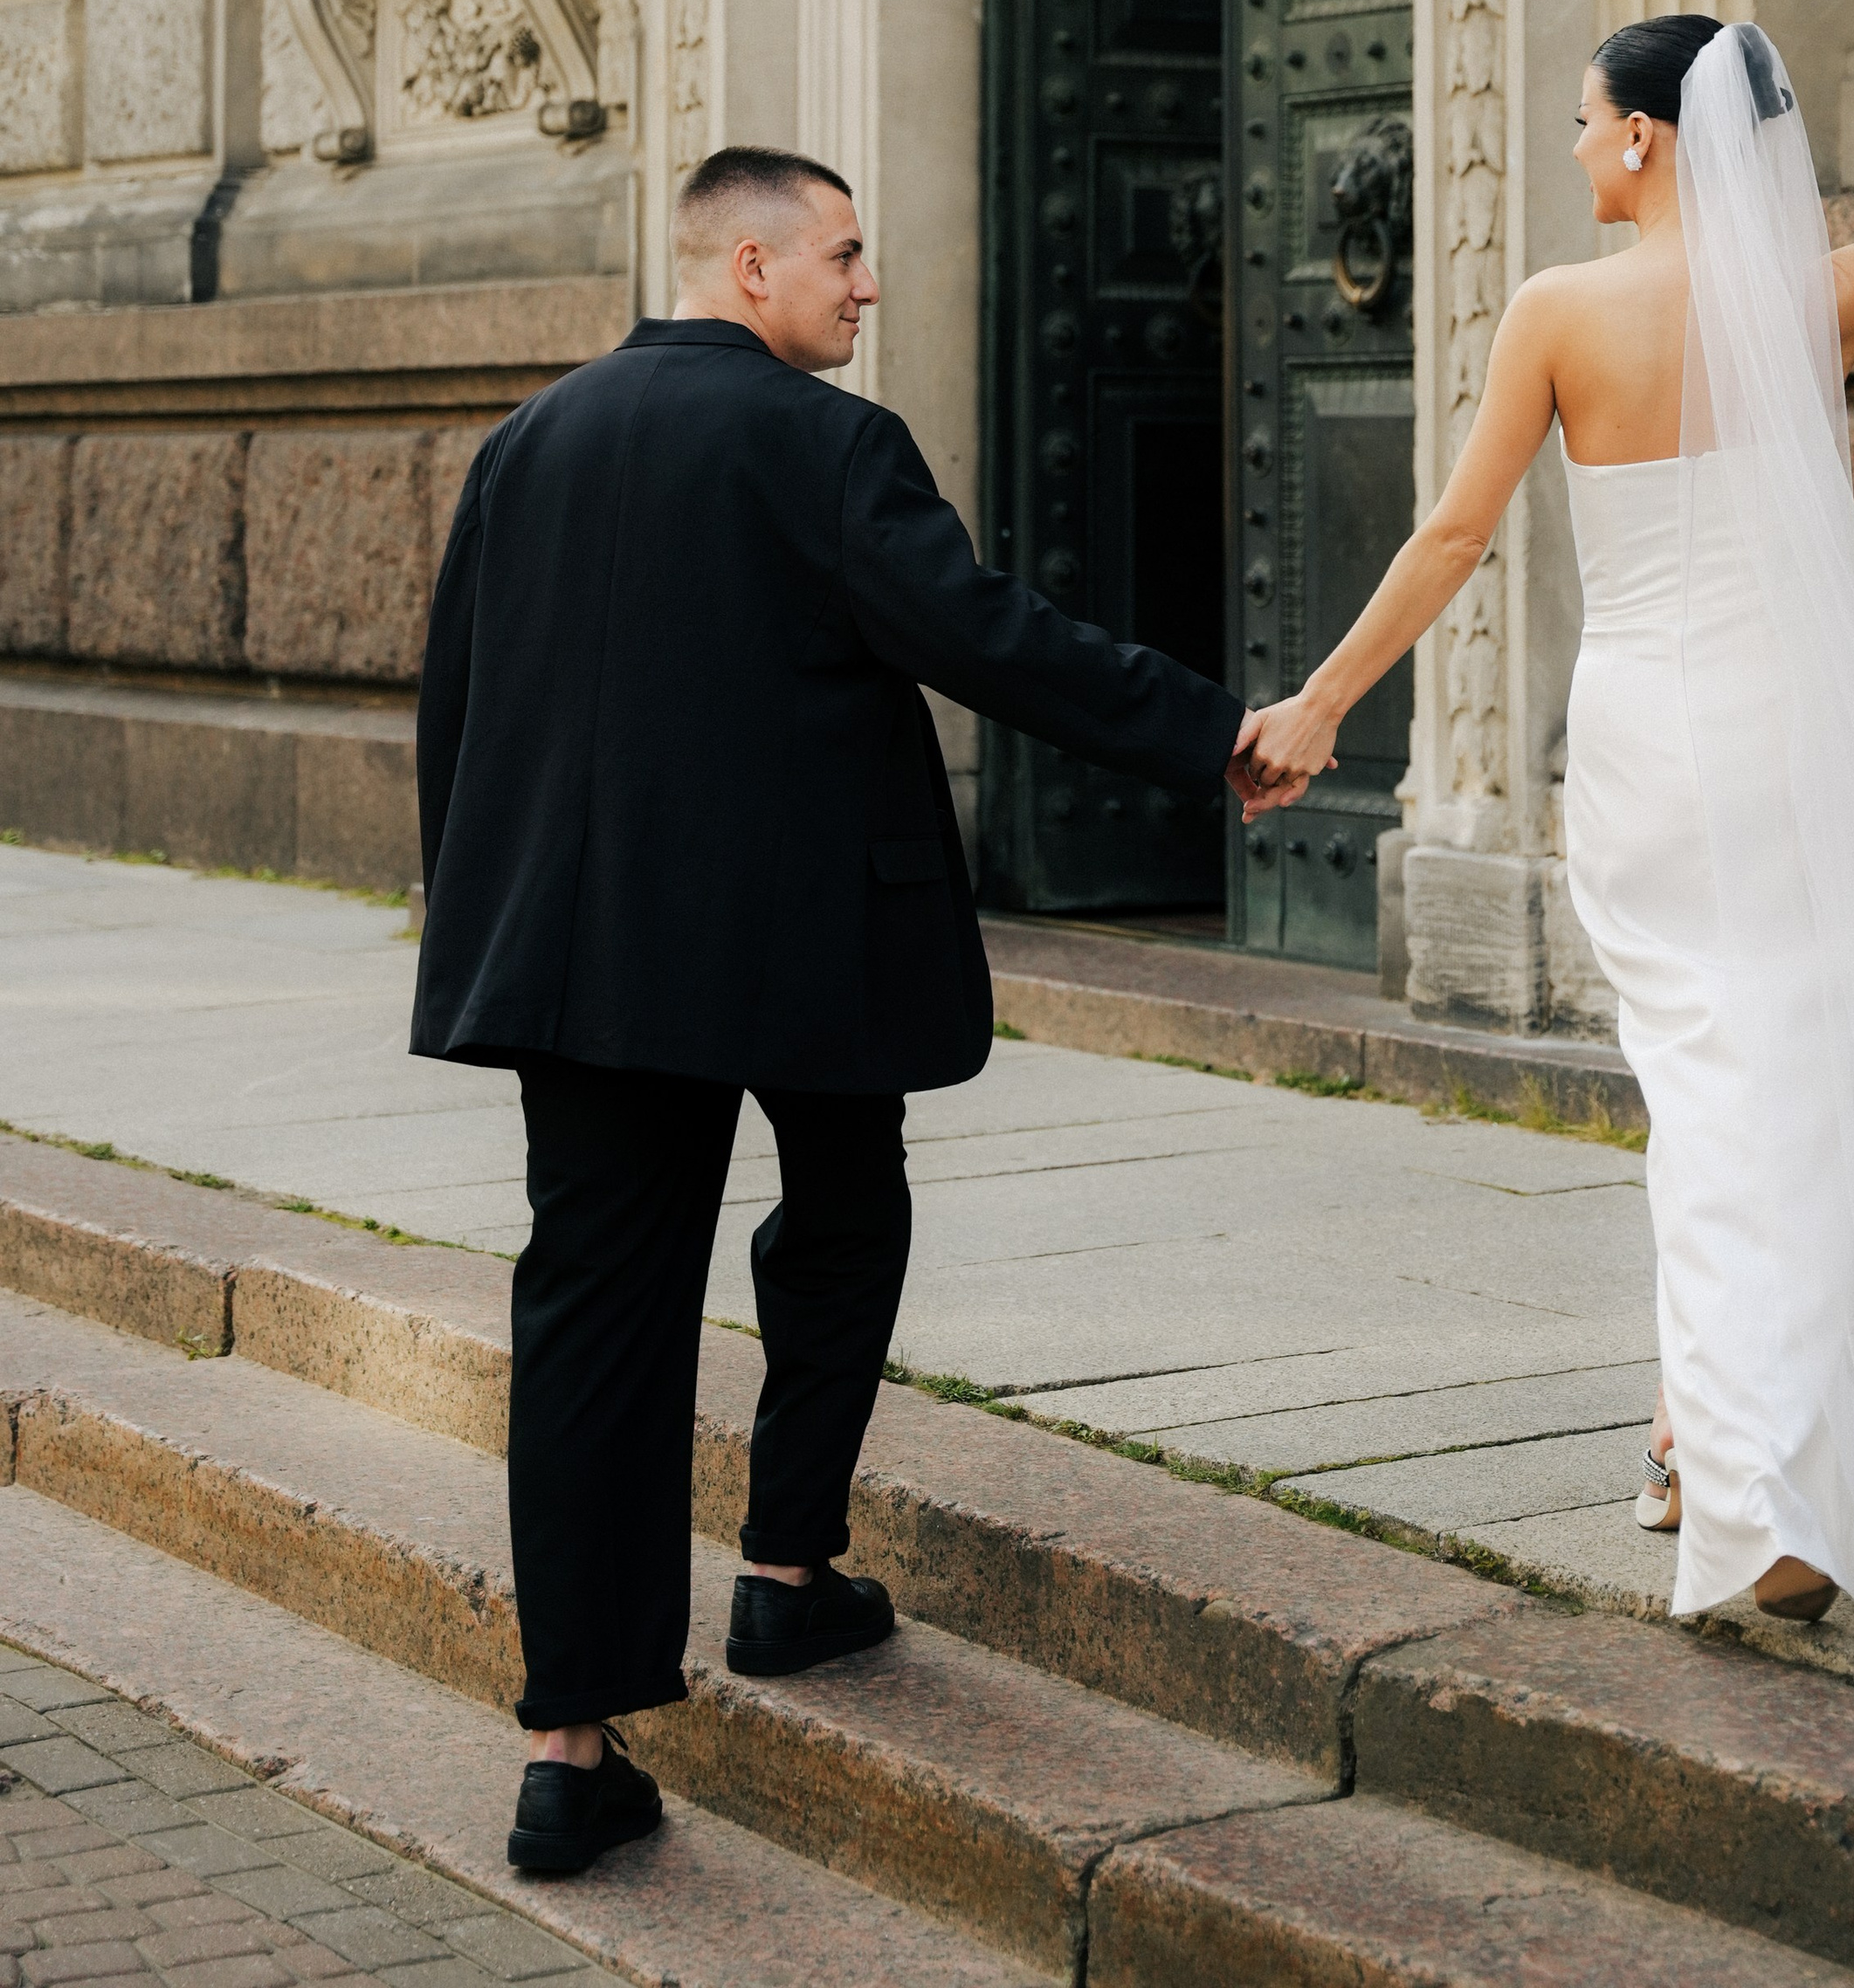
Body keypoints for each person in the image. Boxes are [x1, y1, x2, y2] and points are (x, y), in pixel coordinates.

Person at [1242, 0, 1854, 1692]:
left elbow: (1455, 532)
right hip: (1793, 737)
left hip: (1651, 744)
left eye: (1580, 118)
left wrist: (1323, 701)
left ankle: (1761, 1511)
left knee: (1706, 1105)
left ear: (1644, 138)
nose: (1571, 143)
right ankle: (1707, 1445)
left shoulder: (1560, 311)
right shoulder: (1809, 294)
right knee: (1779, 1089)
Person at [410, 146, 1253, 1874]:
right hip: (803, 948)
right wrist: (1204, 731)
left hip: (577, 961)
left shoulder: (528, 442)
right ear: (747, 266)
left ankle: (570, 1751)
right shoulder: (825, 445)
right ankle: (786, 1573)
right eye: (846, 258)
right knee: (842, 1214)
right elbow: (986, 637)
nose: (867, 289)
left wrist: (474, 913)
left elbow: (458, 707)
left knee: (593, 1319)